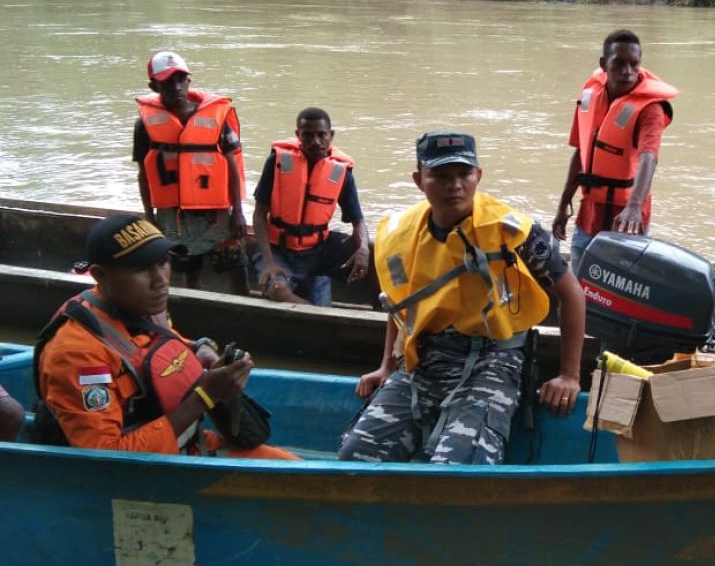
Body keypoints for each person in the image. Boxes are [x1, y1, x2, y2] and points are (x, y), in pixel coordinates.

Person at [339, 131, 585, 465]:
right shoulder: (400, 233)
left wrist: (570, 375)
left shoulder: (512, 230)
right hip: (426, 361)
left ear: (478, 176)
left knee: (459, 468)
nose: (454, 185)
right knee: (355, 458)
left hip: (495, 360)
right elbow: (398, 304)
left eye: (464, 174)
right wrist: (387, 366)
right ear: (418, 180)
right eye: (439, 175)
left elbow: (571, 295)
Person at [31, 214, 296, 459]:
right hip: (142, 473)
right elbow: (106, 459)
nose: (160, 280)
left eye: (163, 263)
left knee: (290, 465)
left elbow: (155, 347)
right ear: (101, 275)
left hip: (188, 444)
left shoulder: (142, 307)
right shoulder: (77, 353)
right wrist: (205, 396)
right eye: (140, 269)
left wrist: (200, 349)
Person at [552, 30, 679, 271]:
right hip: (589, 215)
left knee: (622, 289)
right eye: (619, 63)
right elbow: (580, 154)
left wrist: (634, 206)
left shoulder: (650, 108)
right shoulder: (590, 96)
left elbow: (648, 158)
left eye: (634, 64)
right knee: (581, 287)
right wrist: (562, 206)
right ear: (603, 64)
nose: (627, 71)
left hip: (627, 221)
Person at [134, 51, 248, 294]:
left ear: (188, 81)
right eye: (167, 82)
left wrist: (237, 211)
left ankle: (244, 312)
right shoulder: (144, 124)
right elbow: (144, 172)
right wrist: (149, 215)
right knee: (189, 275)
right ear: (154, 86)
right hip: (174, 217)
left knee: (236, 269)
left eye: (180, 80)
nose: (176, 87)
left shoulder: (216, 117)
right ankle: (194, 315)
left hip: (216, 213)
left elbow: (232, 166)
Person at [251, 107, 370, 306]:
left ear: (330, 136)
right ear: (298, 135)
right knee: (277, 289)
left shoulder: (341, 171)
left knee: (380, 258)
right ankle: (318, 313)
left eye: (321, 135)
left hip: (319, 249)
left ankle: (383, 309)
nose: (315, 142)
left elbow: (358, 221)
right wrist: (269, 262)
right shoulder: (277, 162)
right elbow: (259, 214)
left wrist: (364, 249)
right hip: (279, 249)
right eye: (308, 135)